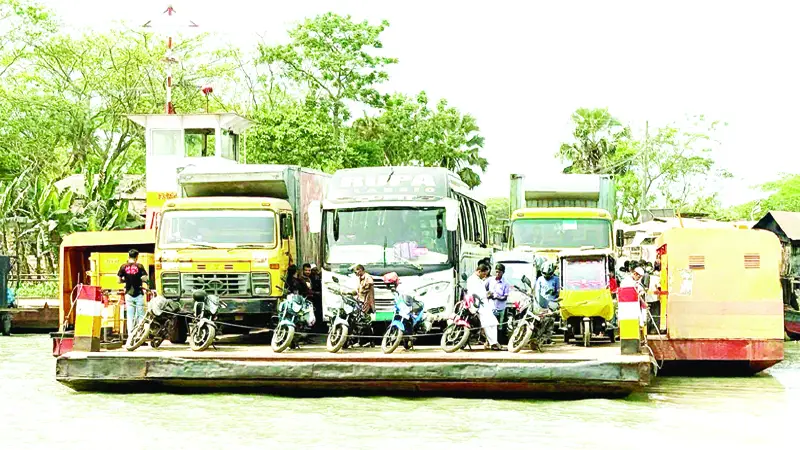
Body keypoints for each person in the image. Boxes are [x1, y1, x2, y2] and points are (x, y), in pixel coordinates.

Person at [467, 263, 500, 351]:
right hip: (477, 304)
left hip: (484, 303)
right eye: (484, 274)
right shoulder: (472, 279)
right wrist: (486, 294)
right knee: (488, 323)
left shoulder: (479, 279)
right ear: (479, 271)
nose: (485, 276)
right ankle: (493, 343)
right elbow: (474, 293)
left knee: (493, 322)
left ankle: (494, 341)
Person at [117, 249, 149, 335]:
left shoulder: (123, 266)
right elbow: (145, 278)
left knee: (130, 316)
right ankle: (140, 335)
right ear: (137, 257)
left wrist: (126, 281)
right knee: (141, 316)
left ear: (129, 256)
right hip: (138, 293)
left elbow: (119, 281)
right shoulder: (139, 266)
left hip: (128, 294)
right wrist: (141, 280)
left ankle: (131, 336)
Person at [485, 263, 511, 329]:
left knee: (499, 327)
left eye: (499, 272)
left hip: (500, 309)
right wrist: (488, 294)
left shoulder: (506, 283)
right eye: (496, 272)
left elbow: (505, 298)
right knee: (490, 326)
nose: (497, 274)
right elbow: (484, 287)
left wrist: (496, 297)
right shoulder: (490, 280)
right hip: (491, 307)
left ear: (503, 273)